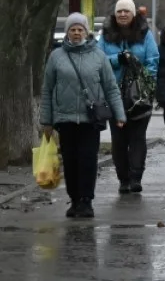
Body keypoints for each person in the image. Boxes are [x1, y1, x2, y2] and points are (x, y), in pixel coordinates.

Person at [39, 13, 127, 219]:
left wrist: (119, 114)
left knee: (88, 160)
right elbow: (47, 89)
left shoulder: (99, 56)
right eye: (73, 29)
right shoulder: (56, 57)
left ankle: (87, 201)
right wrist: (47, 120)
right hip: (65, 118)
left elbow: (111, 88)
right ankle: (75, 200)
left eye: (80, 29)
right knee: (70, 161)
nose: (77, 33)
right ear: (67, 33)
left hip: (91, 119)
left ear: (87, 32)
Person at [99, 0, 159, 194]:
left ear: (133, 14)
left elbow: (153, 59)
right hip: (115, 95)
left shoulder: (145, 34)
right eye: (119, 11)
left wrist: (144, 81)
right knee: (119, 139)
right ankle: (123, 179)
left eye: (127, 11)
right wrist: (117, 59)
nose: (123, 14)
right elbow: (99, 60)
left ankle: (136, 177)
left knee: (137, 138)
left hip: (139, 96)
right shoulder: (106, 35)